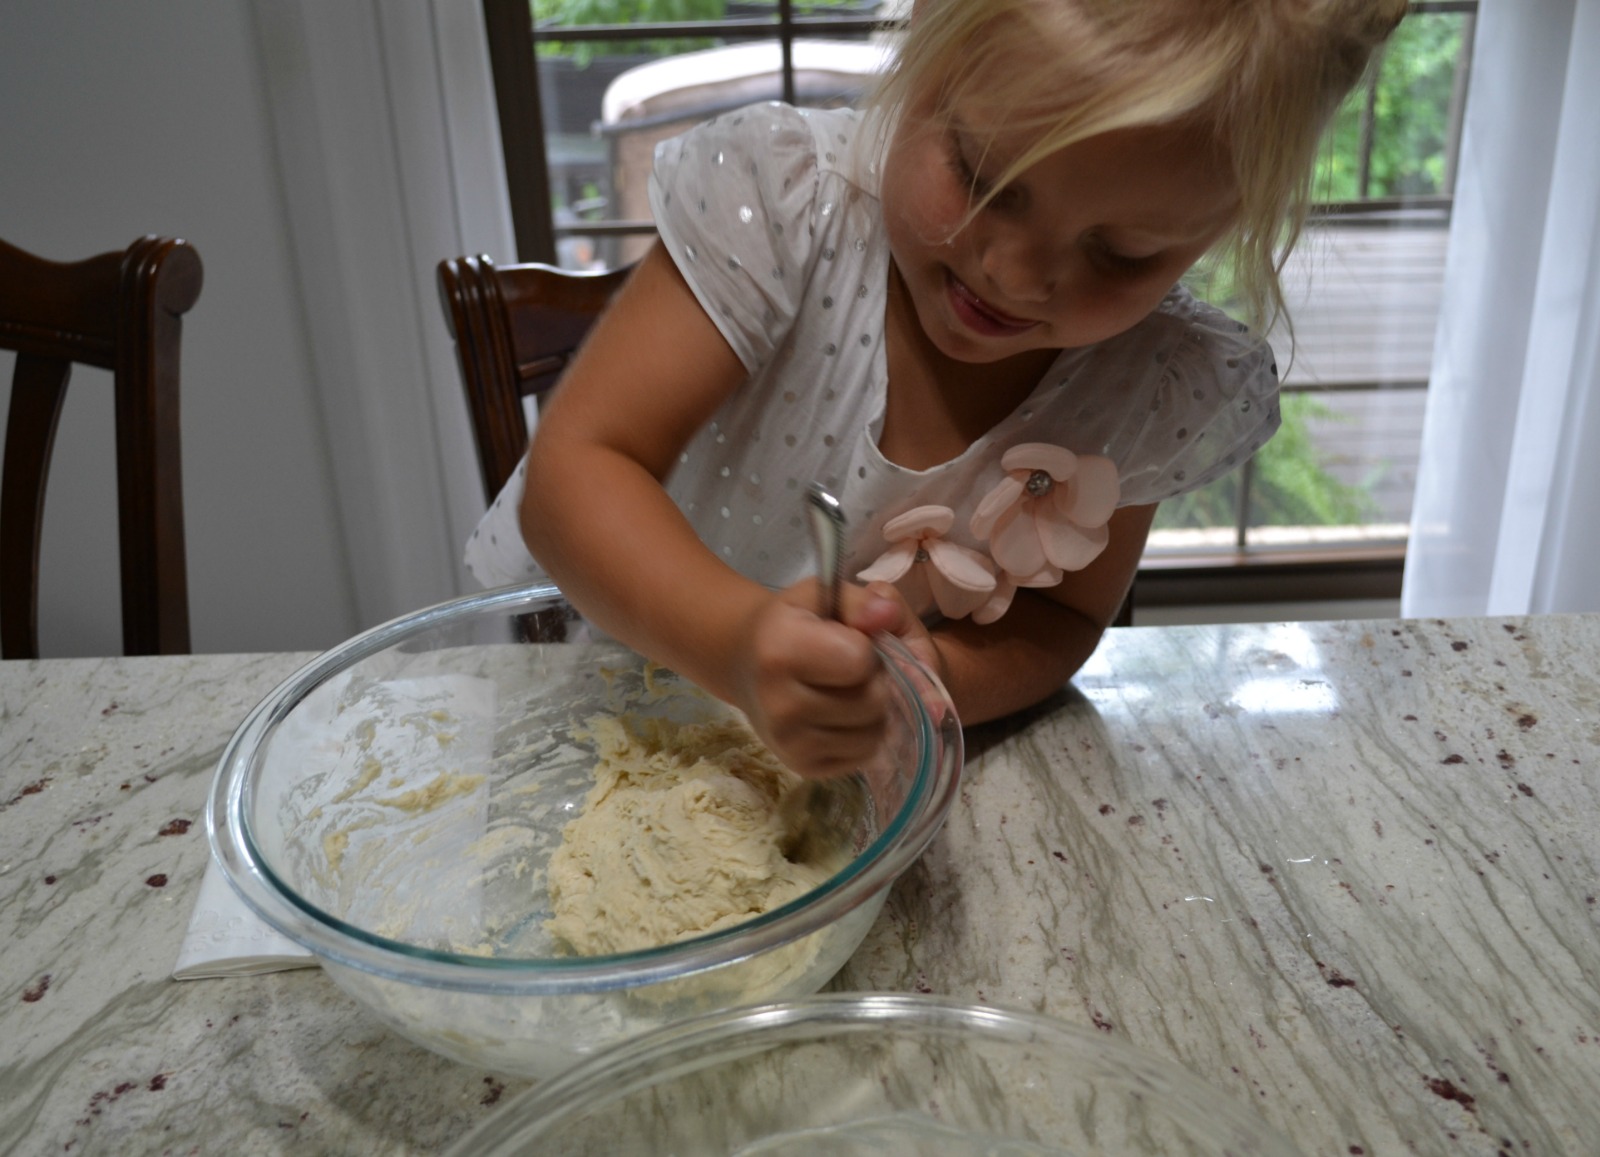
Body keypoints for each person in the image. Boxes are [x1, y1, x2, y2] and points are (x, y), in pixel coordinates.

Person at [465, 0, 1407, 778]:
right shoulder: (787, 210)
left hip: (835, 781)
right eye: (983, 174)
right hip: (587, 716)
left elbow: (1065, 618)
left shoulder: (1143, 385)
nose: (1015, 272)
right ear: (916, 49)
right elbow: (578, 473)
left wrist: (928, 675)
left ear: (1220, 229)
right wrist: (739, 644)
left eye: (1120, 252)